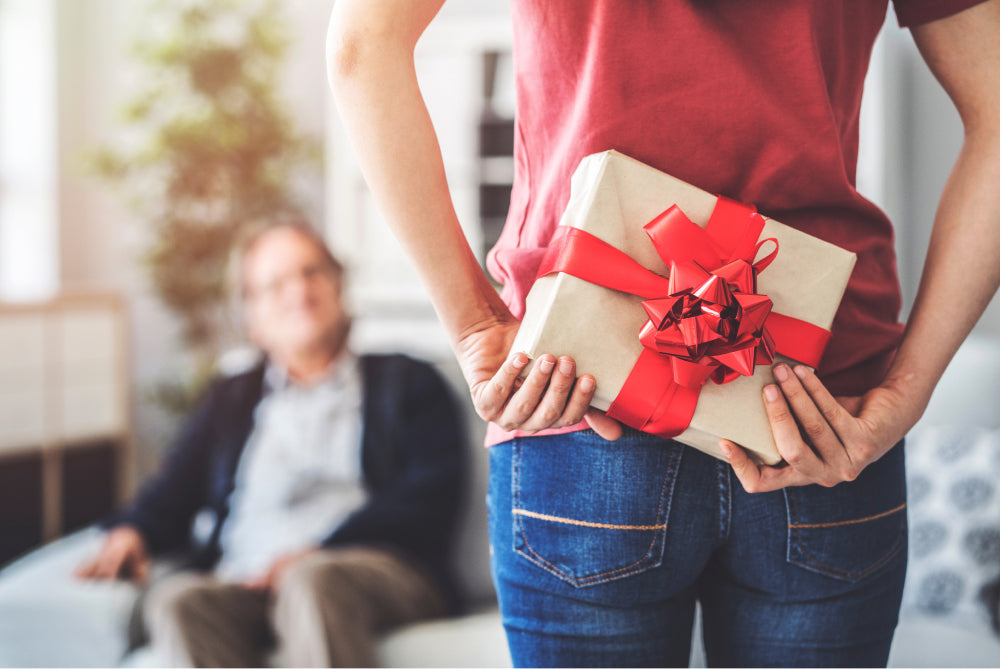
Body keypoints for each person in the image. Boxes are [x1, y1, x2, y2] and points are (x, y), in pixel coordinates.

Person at [327, 0, 1000, 666]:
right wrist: (909, 387)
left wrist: (476, 327)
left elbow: (362, 49)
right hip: (819, 406)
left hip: (578, 387)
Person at [75, 221, 466, 667]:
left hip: (370, 571)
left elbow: (430, 498)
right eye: (276, 284)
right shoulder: (229, 398)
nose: (299, 291)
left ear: (339, 285)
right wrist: (134, 529)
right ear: (252, 317)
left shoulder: (409, 381)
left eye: (312, 272)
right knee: (179, 601)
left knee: (311, 580)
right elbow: (175, 487)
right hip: (249, 581)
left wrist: (321, 550)